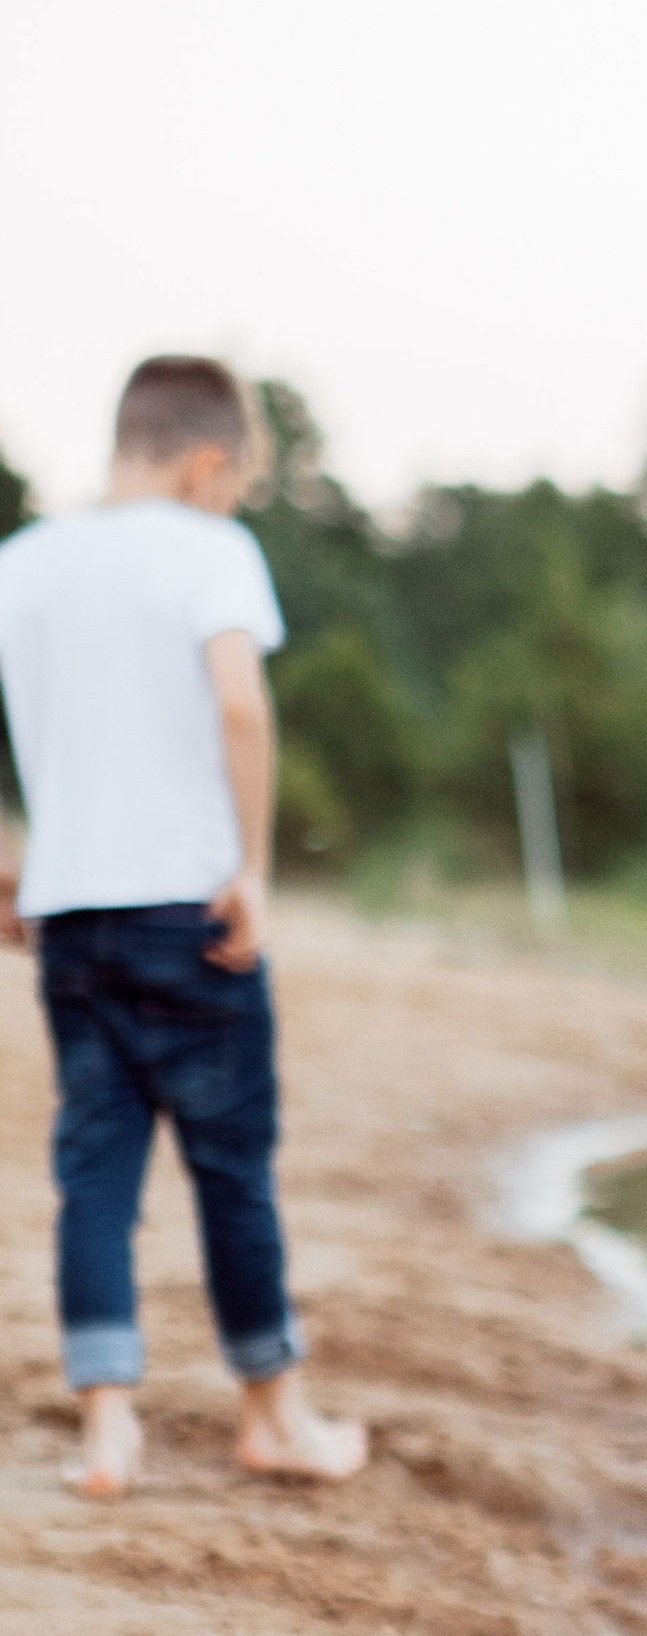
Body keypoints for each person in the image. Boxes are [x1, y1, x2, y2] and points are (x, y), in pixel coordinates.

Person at [0, 355, 366, 1498]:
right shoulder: (212, 552)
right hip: (189, 911)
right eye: (236, 480)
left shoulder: (24, 562)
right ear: (209, 461)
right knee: (230, 1167)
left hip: (66, 912)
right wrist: (251, 868)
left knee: (95, 1165)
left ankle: (109, 1430)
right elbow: (241, 706)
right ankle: (275, 1415)